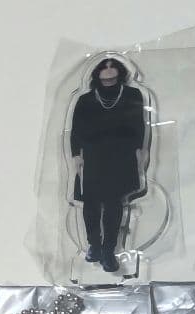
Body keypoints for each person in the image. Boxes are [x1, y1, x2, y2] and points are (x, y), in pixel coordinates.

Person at [69, 57, 147, 273]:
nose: (109, 70)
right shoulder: (85, 99)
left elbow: (139, 126)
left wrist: (140, 150)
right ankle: (94, 244)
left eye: (113, 67)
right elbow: (76, 130)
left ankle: (108, 250)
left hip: (121, 156)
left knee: (114, 203)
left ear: (120, 71)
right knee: (91, 202)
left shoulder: (132, 95)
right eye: (105, 67)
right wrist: (76, 155)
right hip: (93, 156)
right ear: (97, 73)